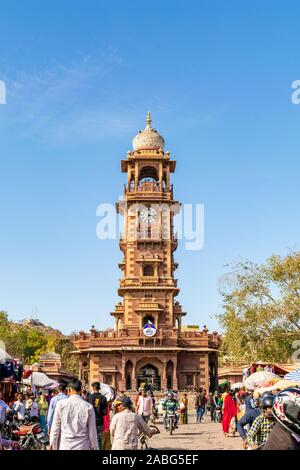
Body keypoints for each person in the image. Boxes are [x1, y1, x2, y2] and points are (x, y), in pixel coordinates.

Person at [50, 380, 98, 450]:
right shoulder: (88, 407)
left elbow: (55, 428)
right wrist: (94, 447)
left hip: (65, 446)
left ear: (69, 390)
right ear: (81, 390)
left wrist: (53, 446)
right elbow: (92, 432)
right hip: (82, 446)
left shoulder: (61, 404)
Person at [88, 381, 107, 450]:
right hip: (99, 422)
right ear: (99, 388)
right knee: (99, 440)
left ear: (93, 388)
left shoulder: (89, 397)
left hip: (90, 422)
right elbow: (105, 412)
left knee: (90, 439)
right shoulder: (103, 398)